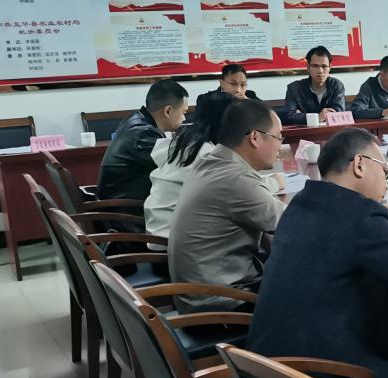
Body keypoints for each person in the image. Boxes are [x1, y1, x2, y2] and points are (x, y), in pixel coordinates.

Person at [249, 129, 388, 378]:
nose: (386, 181)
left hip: (265, 371)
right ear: (359, 164)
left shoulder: (300, 203)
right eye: (385, 170)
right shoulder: (361, 215)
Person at [168, 99, 284, 311]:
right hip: (222, 305)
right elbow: (292, 223)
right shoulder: (235, 178)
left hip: (200, 293)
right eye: (278, 137)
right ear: (255, 137)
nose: (280, 146)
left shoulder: (212, 161)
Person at [145, 90, 281, 239]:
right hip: (170, 236)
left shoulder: (189, 142)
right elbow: (239, 188)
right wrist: (274, 182)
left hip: (161, 227)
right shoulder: (206, 155)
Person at [96, 79, 189, 201]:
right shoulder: (143, 133)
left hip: (122, 201)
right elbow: (175, 167)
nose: (184, 118)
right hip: (123, 209)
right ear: (168, 111)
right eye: (183, 112)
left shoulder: (136, 120)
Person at [282, 45, 347, 125]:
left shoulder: (336, 86)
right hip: (304, 131)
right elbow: (287, 116)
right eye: (315, 66)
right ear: (308, 67)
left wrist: (301, 116)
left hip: (330, 131)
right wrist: (317, 117)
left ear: (330, 67)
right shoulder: (294, 88)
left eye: (324, 66)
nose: (320, 71)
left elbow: (338, 114)